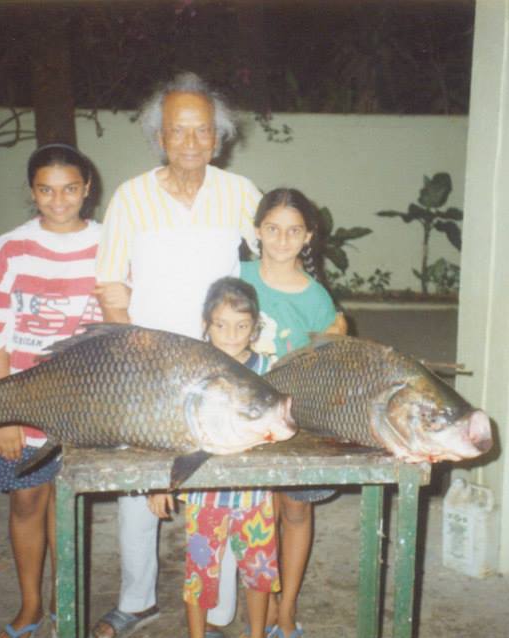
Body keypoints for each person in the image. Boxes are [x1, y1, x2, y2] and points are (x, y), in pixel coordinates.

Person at [91, 72, 263, 638]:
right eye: (178, 131)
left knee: (223, 485)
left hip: (221, 369)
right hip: (149, 365)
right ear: (159, 137)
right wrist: (128, 357)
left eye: (202, 131)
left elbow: (272, 264)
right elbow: (111, 286)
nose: (190, 142)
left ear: (219, 138)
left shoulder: (239, 193)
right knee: (143, 482)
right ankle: (138, 598)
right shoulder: (131, 196)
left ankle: (216, 611)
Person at [0, 143, 102, 638]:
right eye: (46, 189)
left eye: (69, 189)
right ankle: (31, 604)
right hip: (22, 401)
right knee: (26, 502)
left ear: (87, 189)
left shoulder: (109, 245)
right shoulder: (12, 246)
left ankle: (67, 601)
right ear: (32, 191)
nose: (58, 200)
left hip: (84, 406)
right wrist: (2, 414)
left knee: (67, 503)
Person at [239, 187, 347, 638]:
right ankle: (255, 612)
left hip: (298, 419)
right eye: (272, 228)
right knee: (251, 513)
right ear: (256, 231)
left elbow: (329, 365)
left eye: (293, 230)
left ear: (308, 237)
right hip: (242, 414)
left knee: (296, 512)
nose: (281, 239)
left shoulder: (318, 298)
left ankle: (287, 609)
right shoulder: (236, 277)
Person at [148, 277, 280, 638]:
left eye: (241, 326)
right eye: (221, 325)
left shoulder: (270, 369)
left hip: (256, 493)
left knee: (259, 571)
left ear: (255, 328)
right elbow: (171, 428)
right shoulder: (192, 367)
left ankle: (256, 634)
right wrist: (161, 482)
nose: (231, 335)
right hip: (204, 492)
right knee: (200, 573)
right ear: (206, 324)